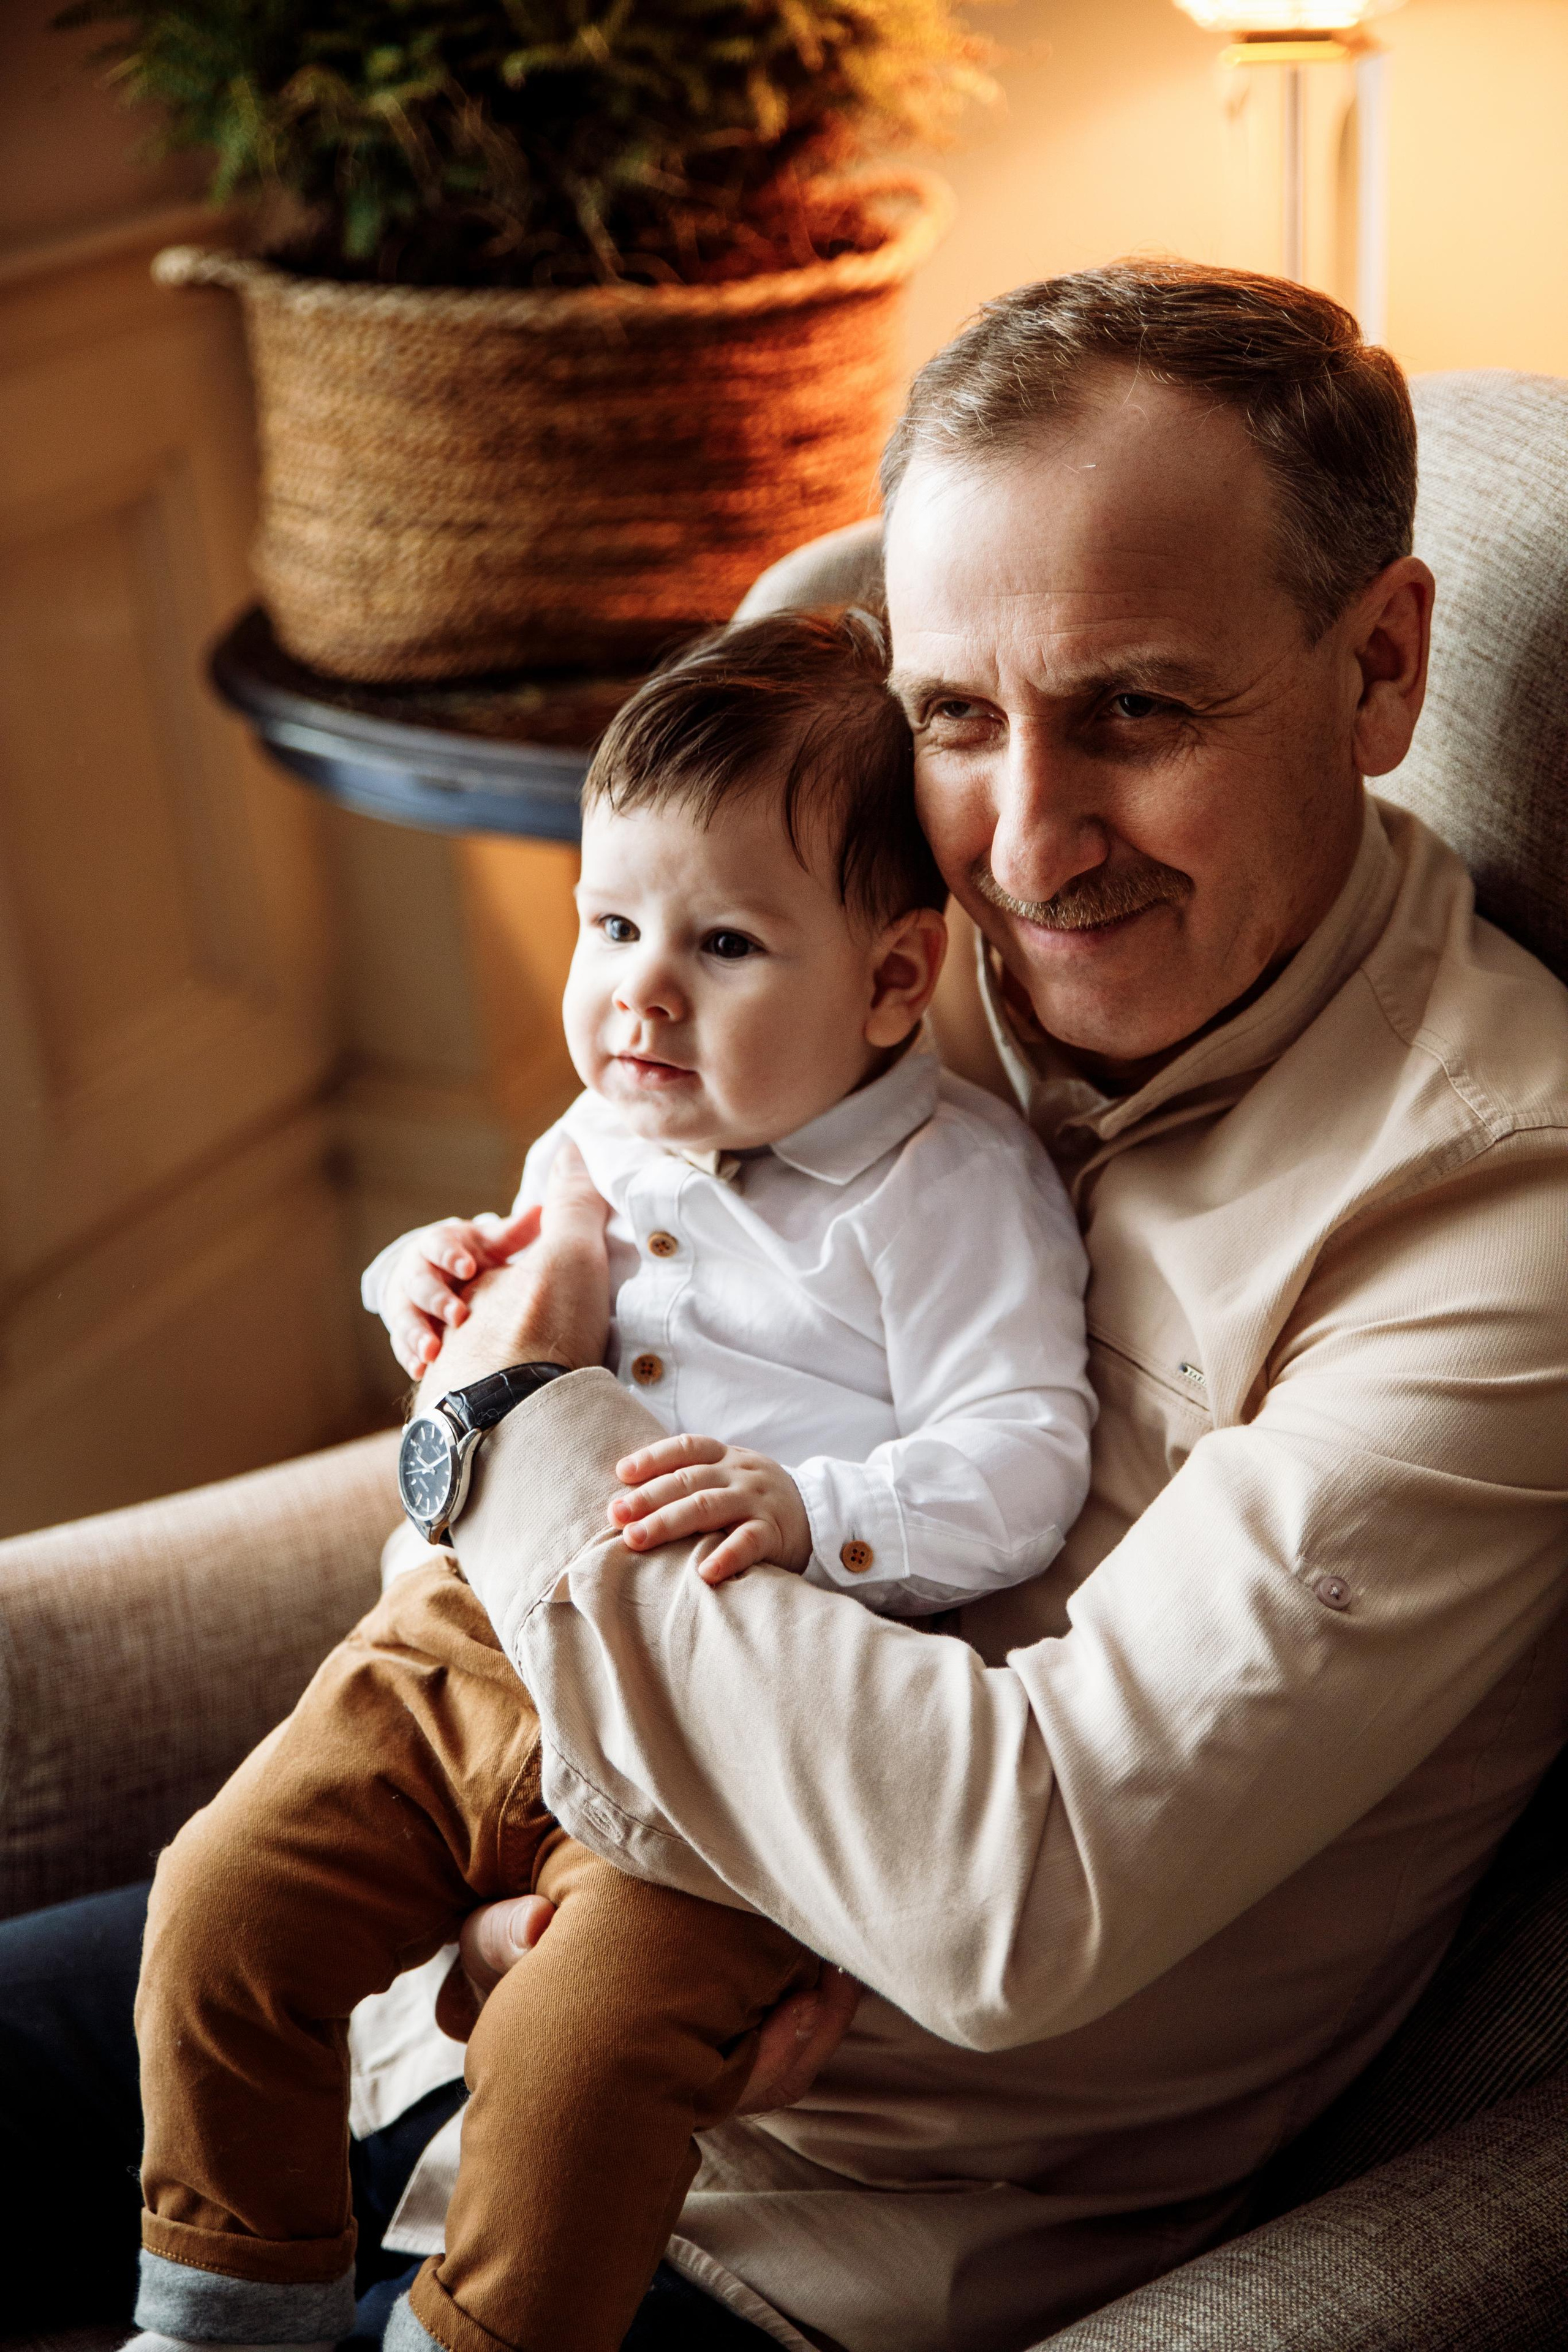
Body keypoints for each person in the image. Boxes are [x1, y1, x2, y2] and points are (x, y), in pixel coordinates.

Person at [4, 256, 1566, 2352]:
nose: (1027, 844)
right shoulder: (858, 928)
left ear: (1382, 669)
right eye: (956, 716)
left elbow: (1010, 1890)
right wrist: (498, 1845)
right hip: (425, 2003)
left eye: (1140, 709)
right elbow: (576, 1316)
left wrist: (520, 1421)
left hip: (793, 2223)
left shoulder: (1495, 1219)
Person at [125, 608, 1094, 2352]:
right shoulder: (603, 1127)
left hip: (719, 1747)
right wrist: (417, 1275)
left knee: (578, 2071)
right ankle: (220, 2311)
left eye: (723, 942)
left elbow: (1027, 1456)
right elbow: (503, 1330)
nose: (639, 987)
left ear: (892, 979)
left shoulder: (951, 1193)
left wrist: (824, 1510)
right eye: (611, 922)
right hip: (462, 1648)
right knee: (219, 1908)